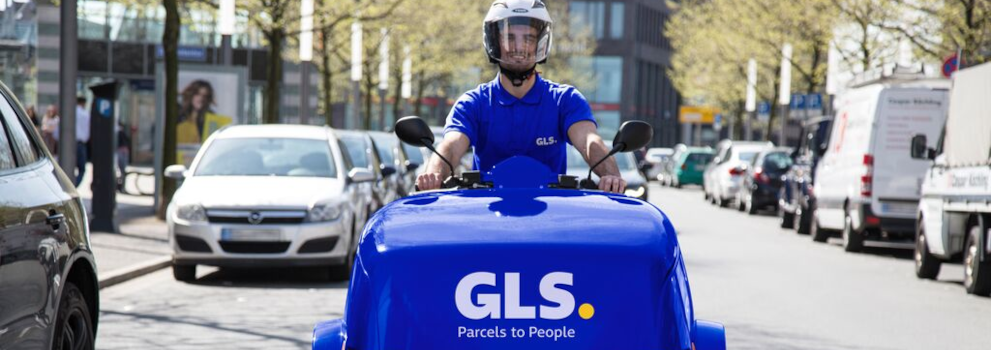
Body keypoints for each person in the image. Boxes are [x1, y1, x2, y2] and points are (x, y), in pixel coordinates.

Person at [416, 0, 625, 193]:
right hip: (486, 217)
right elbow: (451, 147)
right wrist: (434, 173)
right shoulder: (473, 103)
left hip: (551, 216)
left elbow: (589, 141)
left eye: (528, 38)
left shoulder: (564, 100)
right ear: (494, 41)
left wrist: (610, 175)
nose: (518, 47)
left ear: (540, 43)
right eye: (509, 37)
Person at [177, 80, 215, 144]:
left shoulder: (211, 119)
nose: (201, 99)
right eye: (198, 94)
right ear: (191, 95)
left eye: (205, 96)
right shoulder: (179, 116)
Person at [75, 97, 90, 186]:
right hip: (81, 144)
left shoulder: (70, 112)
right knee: (82, 169)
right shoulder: (85, 114)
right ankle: (74, 186)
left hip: (68, 144)